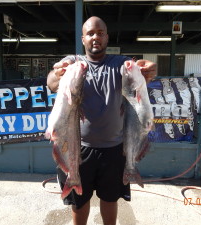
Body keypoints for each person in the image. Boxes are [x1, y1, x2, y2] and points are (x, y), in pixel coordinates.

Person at [47, 16, 156, 225]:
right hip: (78, 148)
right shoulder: (74, 63)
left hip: (115, 148)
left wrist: (150, 69)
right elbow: (52, 82)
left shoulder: (120, 64)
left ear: (106, 36)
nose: (95, 37)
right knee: (79, 201)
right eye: (90, 33)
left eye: (100, 33)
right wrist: (58, 72)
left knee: (110, 198)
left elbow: (142, 73)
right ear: (83, 38)